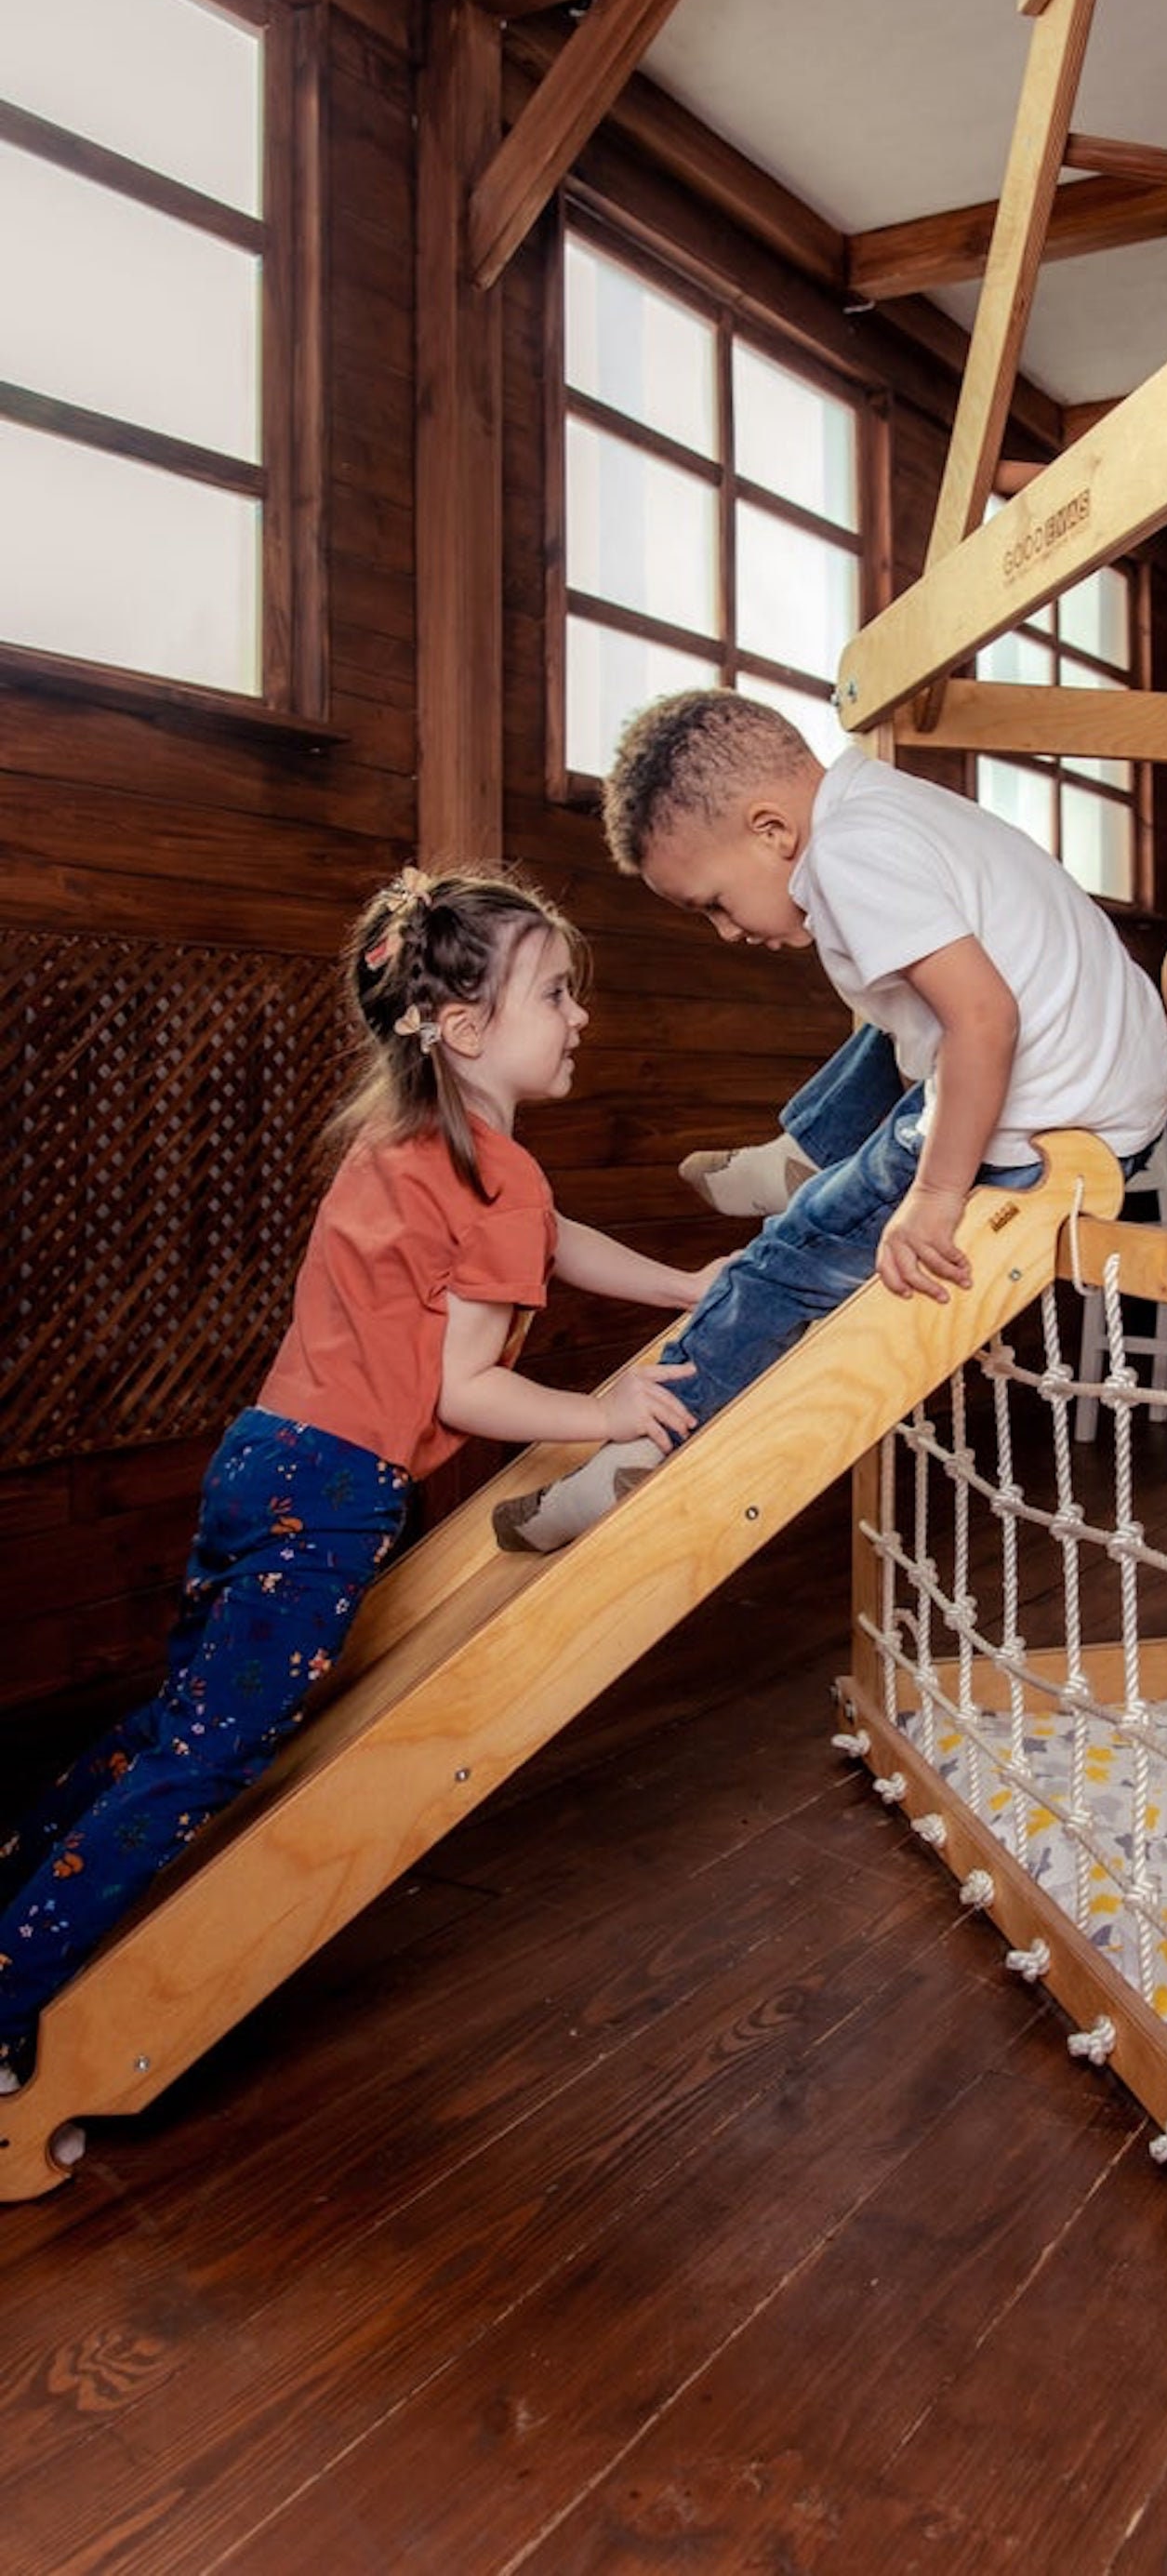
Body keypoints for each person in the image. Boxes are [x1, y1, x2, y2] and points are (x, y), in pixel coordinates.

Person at [0, 865, 721, 2098]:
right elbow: (466, 1391)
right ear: (464, 1028)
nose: (580, 1015)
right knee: (212, 1754)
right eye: (557, 994)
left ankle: (19, 1883)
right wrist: (601, 1414)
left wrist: (680, 1285)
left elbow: (547, 1245)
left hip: (261, 1458)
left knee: (176, 1723)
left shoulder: (411, 1144)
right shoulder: (497, 1171)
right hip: (331, 1494)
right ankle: (13, 1991)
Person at [493, 689, 1167, 1554]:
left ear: (772, 830)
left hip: (1045, 1123)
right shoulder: (882, 803)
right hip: (1119, 1083)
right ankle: (803, 1153)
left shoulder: (853, 855)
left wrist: (936, 1195)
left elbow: (984, 1021)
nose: (725, 933)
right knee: (895, 1018)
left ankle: (640, 1446)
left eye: (714, 902)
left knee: (787, 1256)